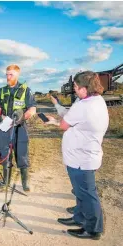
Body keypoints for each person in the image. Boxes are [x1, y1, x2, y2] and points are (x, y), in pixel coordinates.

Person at [45, 71, 109, 240]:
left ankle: (94, 229)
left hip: (81, 159)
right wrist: (58, 108)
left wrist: (55, 121)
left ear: (84, 88)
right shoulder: (96, 101)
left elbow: (65, 125)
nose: (74, 89)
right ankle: (79, 218)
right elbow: (73, 118)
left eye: (75, 86)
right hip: (86, 156)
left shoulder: (83, 105)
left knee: (87, 195)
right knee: (82, 192)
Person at [0, 64, 37, 192]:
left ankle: (25, 183)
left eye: (11, 74)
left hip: (20, 127)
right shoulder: (1, 91)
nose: (8, 77)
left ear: (17, 75)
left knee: (22, 153)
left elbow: (32, 108)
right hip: (5, 126)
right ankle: (5, 181)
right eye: (6, 74)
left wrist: (23, 116)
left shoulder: (26, 90)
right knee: (4, 153)